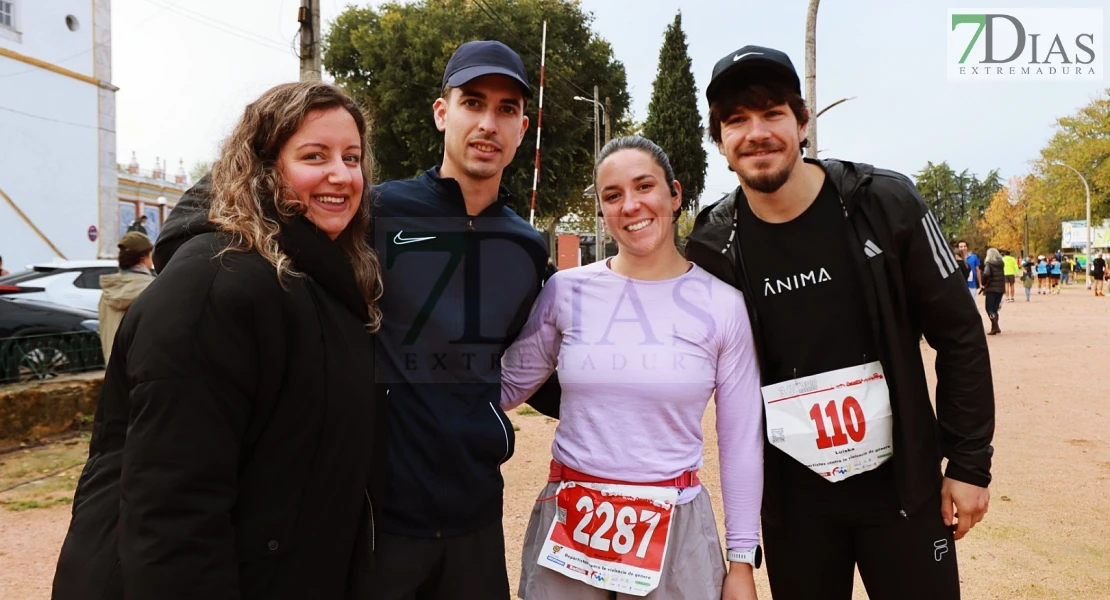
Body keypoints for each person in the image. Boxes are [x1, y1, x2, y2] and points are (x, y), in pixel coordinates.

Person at [52, 82, 386, 599]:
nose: (341, 175)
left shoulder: (323, 280)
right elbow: (174, 509)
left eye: (352, 157)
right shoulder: (216, 283)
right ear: (262, 167)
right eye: (314, 156)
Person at [686, 45, 995, 600]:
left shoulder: (885, 203)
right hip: (795, 508)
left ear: (802, 123)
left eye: (772, 114)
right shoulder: (713, 244)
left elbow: (960, 335)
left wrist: (970, 463)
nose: (757, 133)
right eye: (736, 121)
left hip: (904, 494)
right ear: (721, 143)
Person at [503, 136, 764, 600]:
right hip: (571, 522)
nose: (631, 205)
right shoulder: (566, 291)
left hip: (674, 525)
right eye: (612, 195)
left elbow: (741, 438)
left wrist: (742, 560)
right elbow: (505, 386)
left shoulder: (723, 306)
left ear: (675, 194)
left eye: (644, 186)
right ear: (602, 210)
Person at [367, 40, 553, 599]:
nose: (488, 123)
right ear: (442, 112)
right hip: (382, 520)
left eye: (506, 109)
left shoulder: (525, 245)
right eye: (473, 102)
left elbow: (530, 360)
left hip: (476, 516)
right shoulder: (375, 210)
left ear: (522, 128)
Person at [97, 232, 155, 362]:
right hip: (145, 370)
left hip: (115, 370)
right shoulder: (152, 289)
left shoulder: (107, 292)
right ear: (143, 259)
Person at [980, 248, 1005, 335]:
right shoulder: (1001, 264)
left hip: (991, 288)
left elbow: (986, 274)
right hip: (1000, 288)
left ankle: (995, 325)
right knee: (995, 308)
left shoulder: (989, 264)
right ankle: (995, 326)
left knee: (989, 309)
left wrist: (983, 282)